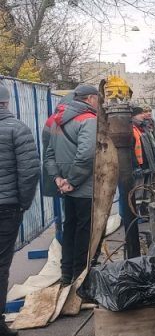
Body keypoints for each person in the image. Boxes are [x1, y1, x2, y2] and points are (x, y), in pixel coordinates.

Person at [43, 84, 98, 286]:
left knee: (70, 228)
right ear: (91, 98)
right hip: (83, 186)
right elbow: (86, 155)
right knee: (85, 230)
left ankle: (66, 274)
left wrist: (58, 178)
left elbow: (49, 154)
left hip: (65, 186)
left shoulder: (58, 119)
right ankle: (80, 276)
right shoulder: (89, 120)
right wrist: (73, 182)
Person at [0, 82, 40, 336]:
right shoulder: (16, 129)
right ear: (6, 102)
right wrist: (22, 203)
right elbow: (29, 171)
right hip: (6, 207)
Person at [130, 105, 155, 217]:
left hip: (147, 165)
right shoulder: (131, 130)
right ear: (133, 116)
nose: (143, 115)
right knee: (139, 192)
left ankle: (145, 211)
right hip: (139, 166)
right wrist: (135, 166)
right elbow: (131, 151)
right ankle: (137, 215)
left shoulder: (142, 128)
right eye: (140, 113)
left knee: (147, 190)